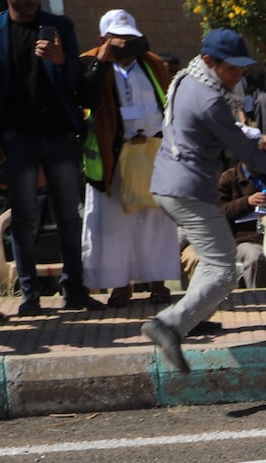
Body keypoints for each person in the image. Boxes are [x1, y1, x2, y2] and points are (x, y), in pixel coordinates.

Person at [140, 29, 266, 372]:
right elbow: (252, 158)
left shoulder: (186, 80)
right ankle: (170, 325)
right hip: (190, 191)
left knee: (211, 262)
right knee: (224, 273)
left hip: (169, 184)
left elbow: (221, 135)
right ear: (210, 62)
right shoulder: (209, 99)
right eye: (232, 67)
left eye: (241, 67)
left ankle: (189, 319)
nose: (238, 74)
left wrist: (261, 139)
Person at [0, 0, 99, 316]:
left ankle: (74, 288)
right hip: (15, 137)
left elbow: (75, 83)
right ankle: (30, 294)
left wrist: (61, 59)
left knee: (69, 214)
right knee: (24, 217)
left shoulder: (60, 27)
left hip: (60, 134)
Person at [79, 9, 179, 307]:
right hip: (113, 157)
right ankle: (119, 286)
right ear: (104, 38)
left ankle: (159, 283)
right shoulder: (89, 62)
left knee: (154, 219)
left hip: (151, 153)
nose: (126, 46)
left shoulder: (153, 64)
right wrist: (102, 60)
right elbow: (87, 98)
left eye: (130, 40)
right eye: (118, 40)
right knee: (112, 224)